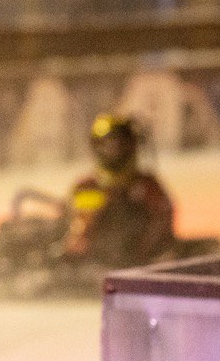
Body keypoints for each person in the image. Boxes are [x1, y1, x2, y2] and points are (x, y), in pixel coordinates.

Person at [63, 114, 175, 268]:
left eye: (118, 144)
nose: (113, 150)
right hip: (91, 263)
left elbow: (163, 222)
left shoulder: (146, 185)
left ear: (130, 145)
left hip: (140, 261)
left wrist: (142, 253)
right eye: (106, 145)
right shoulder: (88, 186)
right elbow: (79, 226)